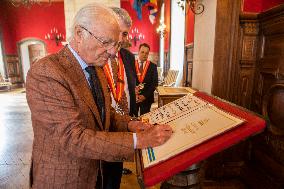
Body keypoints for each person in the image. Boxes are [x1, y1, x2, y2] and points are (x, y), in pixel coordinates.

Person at [26, 3, 172, 189]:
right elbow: (73, 138)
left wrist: (129, 124)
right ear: (79, 34)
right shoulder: (48, 72)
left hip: (97, 173)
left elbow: (105, 113)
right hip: (65, 178)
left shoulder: (96, 67)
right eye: (105, 42)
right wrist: (138, 140)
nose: (112, 51)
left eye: (116, 44)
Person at [102, 7, 137, 189]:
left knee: (115, 177)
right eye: (122, 33)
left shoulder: (129, 57)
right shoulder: (96, 57)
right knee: (103, 178)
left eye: (126, 34)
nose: (124, 39)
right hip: (103, 130)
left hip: (124, 127)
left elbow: (131, 90)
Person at [135, 43, 158, 115]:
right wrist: (135, 94)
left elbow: (154, 83)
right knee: (132, 118)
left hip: (147, 98)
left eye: (146, 53)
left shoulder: (153, 66)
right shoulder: (131, 64)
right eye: (142, 52)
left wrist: (144, 96)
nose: (144, 54)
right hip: (133, 97)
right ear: (138, 52)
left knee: (145, 119)